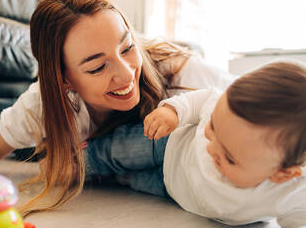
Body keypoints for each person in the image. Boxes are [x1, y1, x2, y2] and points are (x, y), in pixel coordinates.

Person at [0, 0, 234, 216]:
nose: (125, 74)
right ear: (64, 80)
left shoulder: (177, 69)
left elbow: (256, 101)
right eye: (97, 67)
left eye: (127, 47)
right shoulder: (42, 104)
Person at [84, 61, 306, 227]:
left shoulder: (294, 193)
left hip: (174, 190)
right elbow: (202, 100)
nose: (211, 148)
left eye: (229, 157)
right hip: (169, 144)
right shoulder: (226, 107)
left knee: (132, 181)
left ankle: (113, 178)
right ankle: (83, 161)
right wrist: (173, 112)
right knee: (118, 150)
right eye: (213, 127)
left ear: (283, 174)